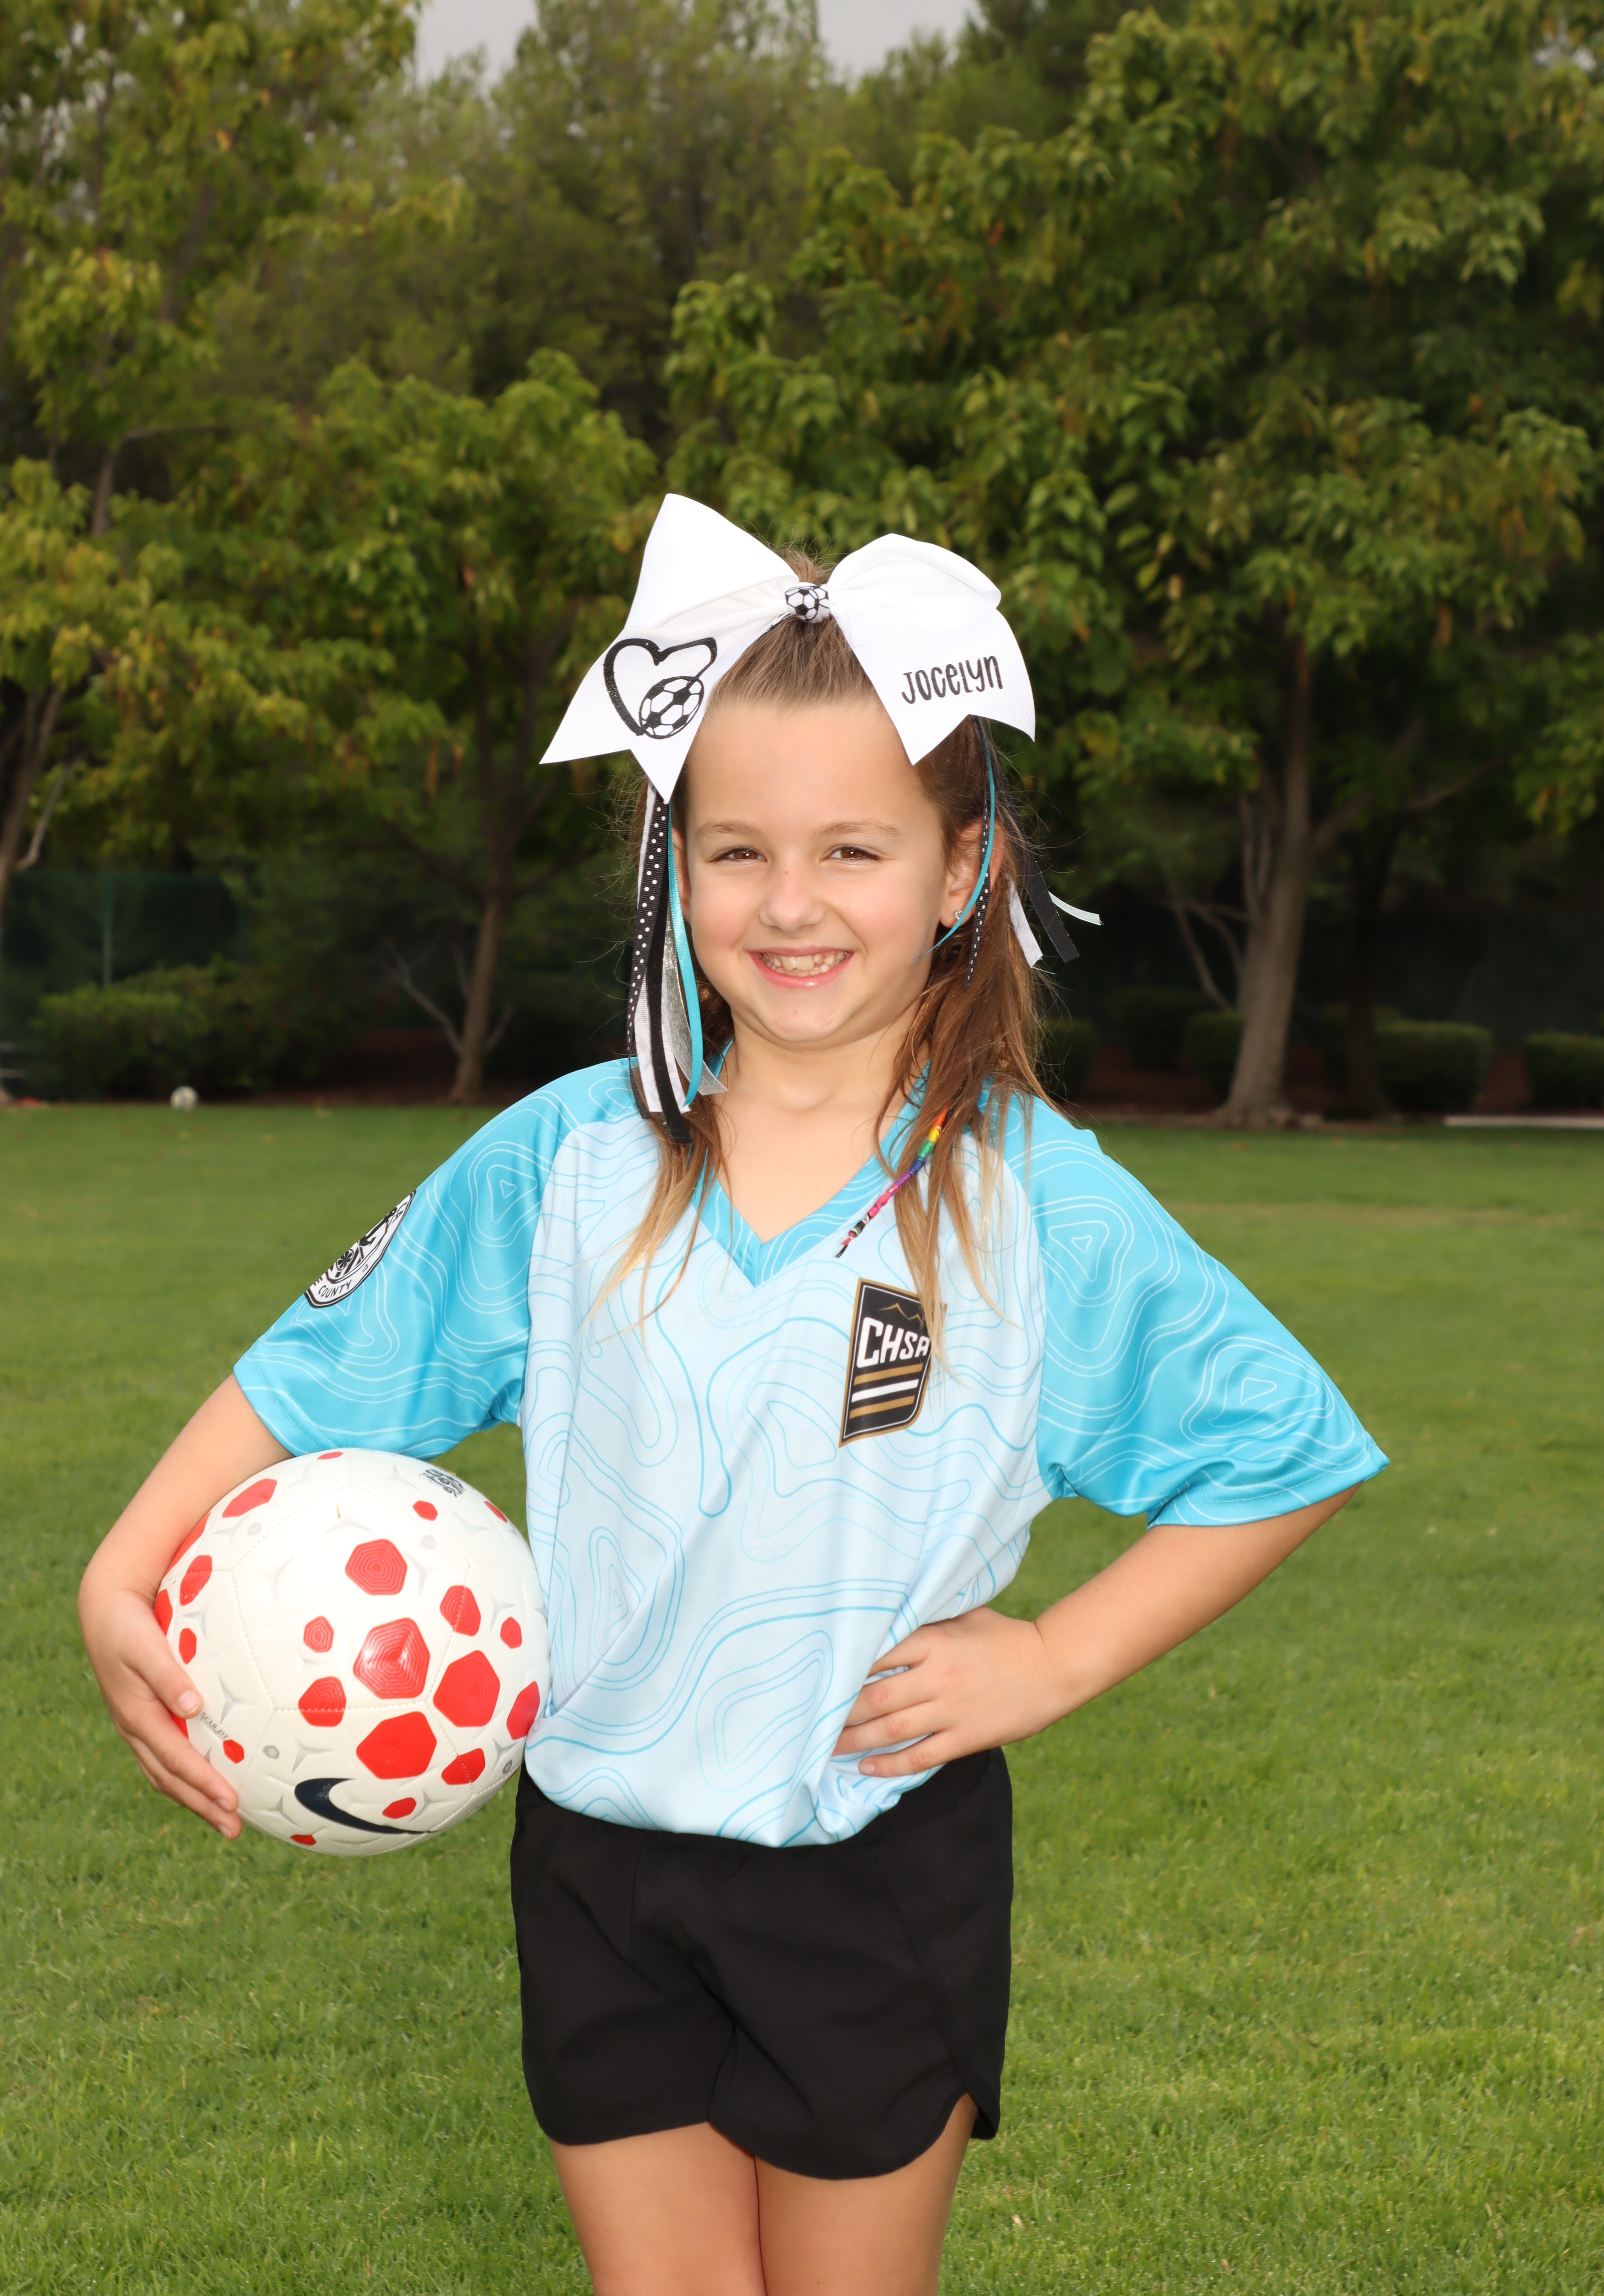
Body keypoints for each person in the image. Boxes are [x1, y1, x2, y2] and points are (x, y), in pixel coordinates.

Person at [78, 498, 1386, 2296]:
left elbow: (1284, 1450)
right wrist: (120, 1569)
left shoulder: (1030, 1201)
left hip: (870, 1863)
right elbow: (324, 1366)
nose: (788, 904)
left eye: (853, 849)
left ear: (962, 868)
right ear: (671, 868)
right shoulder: (566, 1159)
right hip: (596, 1865)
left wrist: (1056, 1657)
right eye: (735, 850)